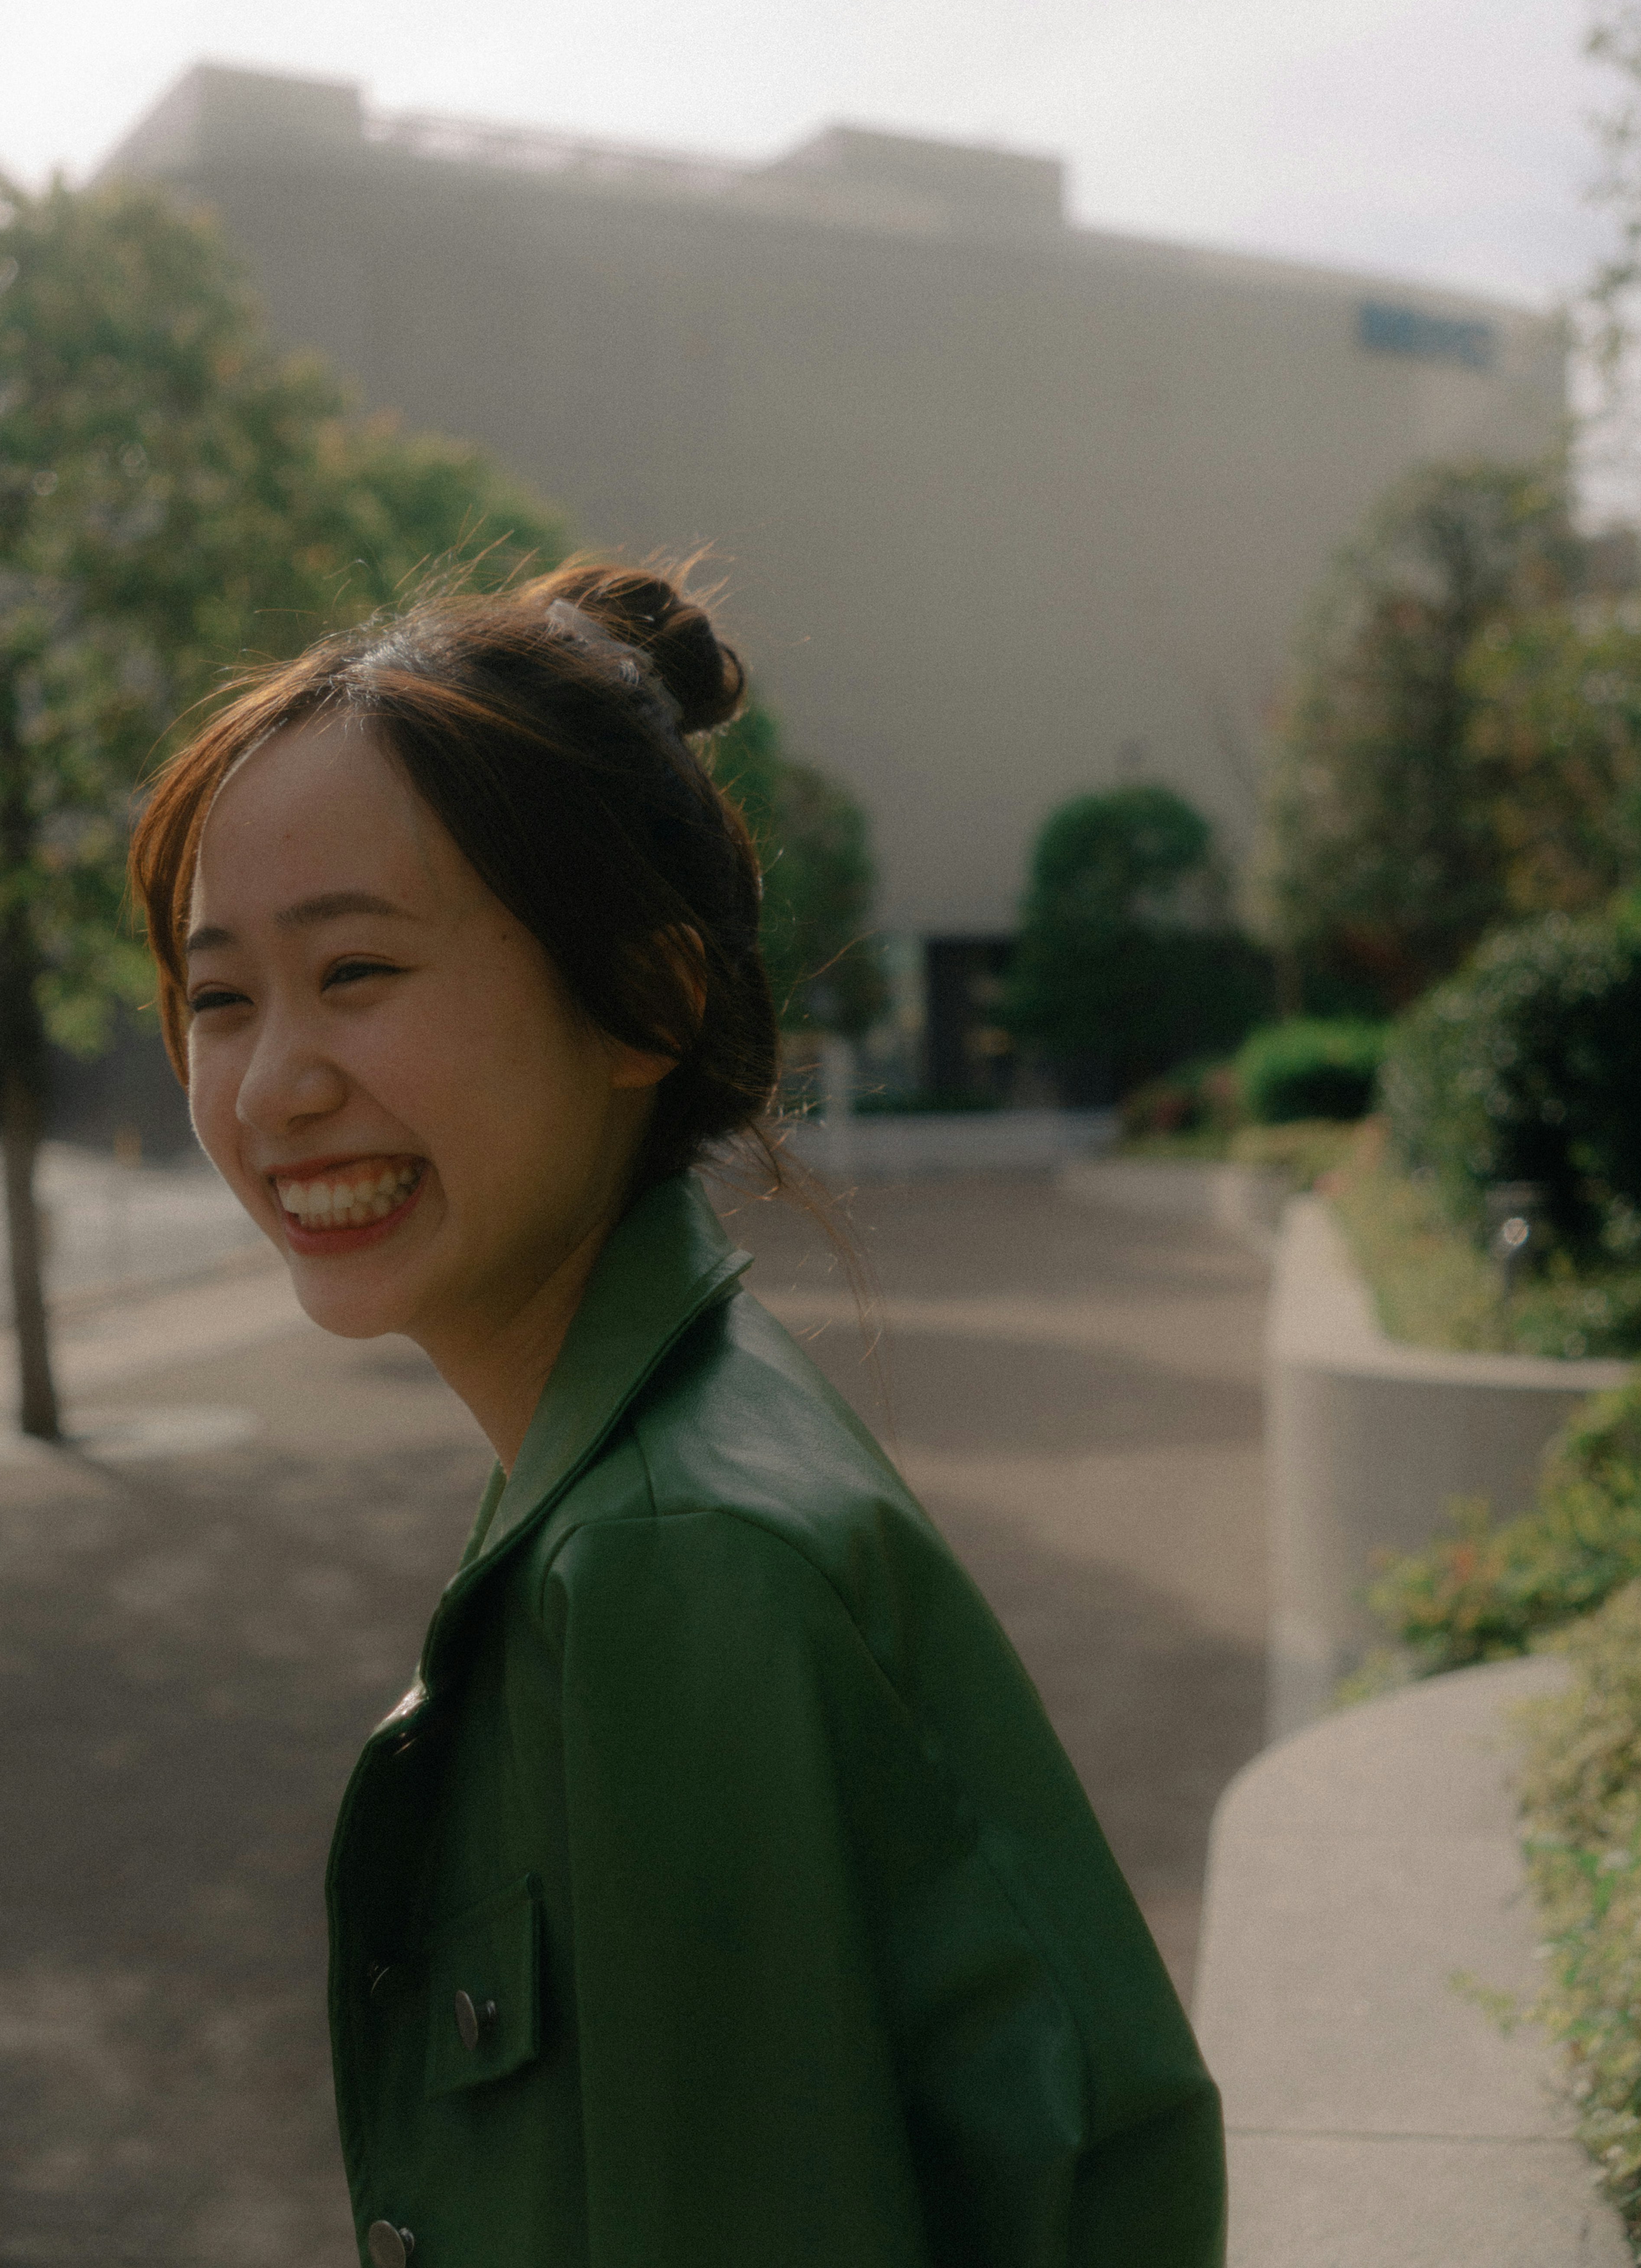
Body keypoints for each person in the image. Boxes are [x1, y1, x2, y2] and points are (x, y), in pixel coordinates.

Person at [130, 562, 1226, 2268]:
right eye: (219, 997)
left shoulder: (669, 1559)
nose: (273, 1084)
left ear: (647, 1001)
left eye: (356, 972)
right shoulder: (663, 1457)